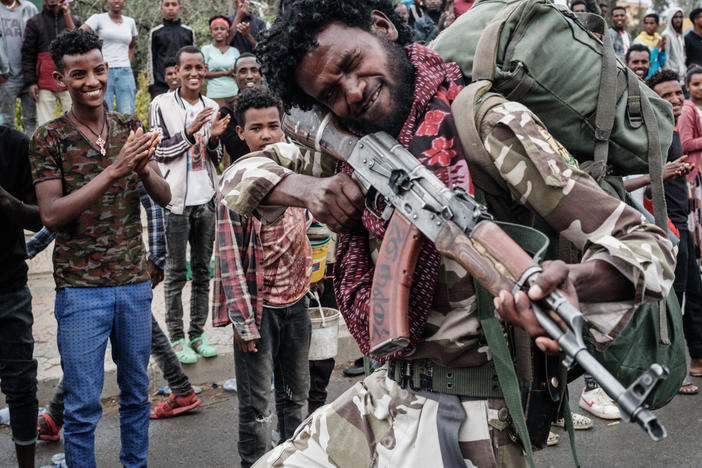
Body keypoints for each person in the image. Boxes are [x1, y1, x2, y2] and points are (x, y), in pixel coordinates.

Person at [222, 1, 675, 466]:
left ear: (382, 27)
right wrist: (310, 189)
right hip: (385, 392)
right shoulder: (352, 143)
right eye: (331, 92)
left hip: (475, 415)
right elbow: (237, 176)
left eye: (352, 65)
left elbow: (648, 245)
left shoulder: (484, 124)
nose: (353, 93)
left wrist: (575, 282)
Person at [28, 28, 170, 467]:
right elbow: (52, 214)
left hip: (132, 285)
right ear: (61, 79)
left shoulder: (130, 127)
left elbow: (163, 197)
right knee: (83, 406)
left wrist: (143, 169)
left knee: (134, 397)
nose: (92, 81)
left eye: (98, 70)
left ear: (108, 70)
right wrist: (114, 170)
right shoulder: (48, 138)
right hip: (80, 291)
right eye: (78, 74)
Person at [29, 183, 202, 441]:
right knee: (97, 349)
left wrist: (156, 256)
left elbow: (154, 201)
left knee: (88, 354)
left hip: (121, 273)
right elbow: (62, 215)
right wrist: (26, 250)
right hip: (94, 276)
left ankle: (55, 415)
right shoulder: (80, 157)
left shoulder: (122, 151)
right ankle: (182, 388)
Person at [213, 85, 312, 468]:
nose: (267, 135)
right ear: (240, 133)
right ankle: (253, 462)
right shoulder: (235, 187)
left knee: (296, 395)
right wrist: (242, 321)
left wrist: (312, 274)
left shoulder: (294, 173)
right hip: (259, 310)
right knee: (256, 405)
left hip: (297, 302)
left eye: (273, 126)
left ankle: (295, 460)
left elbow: (306, 228)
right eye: (256, 128)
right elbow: (229, 261)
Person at [149, 45, 229, 365]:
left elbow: (217, 158)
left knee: (201, 271)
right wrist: (189, 130)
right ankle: (177, 338)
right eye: (188, 68)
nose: (194, 73)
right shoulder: (161, 104)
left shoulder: (212, 105)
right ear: (177, 73)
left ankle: (197, 333)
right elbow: (159, 153)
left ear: (205, 70)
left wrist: (212, 140)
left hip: (206, 199)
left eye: (199, 67)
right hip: (175, 200)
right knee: (175, 272)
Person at [642, 69, 701, 395]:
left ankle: (697, 359)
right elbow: (640, 190)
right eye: (668, 96)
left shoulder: (677, 128)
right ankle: (671, 372)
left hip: (684, 223)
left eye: (678, 93)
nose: (676, 100)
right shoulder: (654, 134)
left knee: (695, 293)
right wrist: (659, 176)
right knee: (672, 303)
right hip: (665, 229)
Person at [1, 126, 42, 468]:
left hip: (8, 286)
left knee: (21, 384)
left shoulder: (13, 144)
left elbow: (40, 215)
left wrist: (4, 199)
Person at [21, 0, 79, 126]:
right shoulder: (34, 22)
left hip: (69, 79)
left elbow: (79, 45)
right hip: (44, 81)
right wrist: (31, 82)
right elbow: (27, 54)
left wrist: (66, 12)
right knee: (45, 126)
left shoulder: (72, 20)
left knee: (75, 122)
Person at [81, 0, 137, 114]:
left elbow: (132, 46)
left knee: (127, 112)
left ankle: (127, 133)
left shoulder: (130, 22)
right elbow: (80, 33)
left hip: (125, 72)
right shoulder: (98, 19)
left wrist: (128, 62)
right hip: (103, 71)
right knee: (103, 110)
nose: (116, 1)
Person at [0, 0, 37, 135]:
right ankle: (7, 155)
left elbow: (38, 39)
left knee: (31, 120)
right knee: (7, 122)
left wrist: (34, 75)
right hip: (6, 78)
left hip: (29, 78)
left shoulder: (29, 8)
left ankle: (31, 153)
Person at [218, 52, 263, 165]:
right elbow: (235, 149)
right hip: (243, 170)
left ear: (261, 74)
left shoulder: (275, 105)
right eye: (243, 71)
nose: (249, 76)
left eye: (254, 70)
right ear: (235, 77)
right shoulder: (227, 111)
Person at [147, 0, 194, 99]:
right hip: (161, 85)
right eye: (167, 5)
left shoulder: (188, 32)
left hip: (184, 83)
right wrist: (152, 84)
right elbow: (151, 59)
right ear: (162, 8)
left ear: (179, 8)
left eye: (174, 4)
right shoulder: (156, 32)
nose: (171, 8)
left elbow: (193, 59)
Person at [202, 15, 239, 107]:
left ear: (227, 32)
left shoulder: (234, 51)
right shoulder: (206, 50)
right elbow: (204, 73)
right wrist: (226, 73)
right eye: (215, 29)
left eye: (222, 29)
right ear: (211, 32)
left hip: (233, 93)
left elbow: (238, 72)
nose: (219, 31)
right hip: (214, 95)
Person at [662, 7, 686, 85]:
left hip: (682, 77)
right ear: (670, 18)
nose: (678, 20)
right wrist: (670, 77)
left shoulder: (679, 36)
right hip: (672, 78)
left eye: (680, 17)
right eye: (675, 17)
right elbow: (665, 59)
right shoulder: (666, 35)